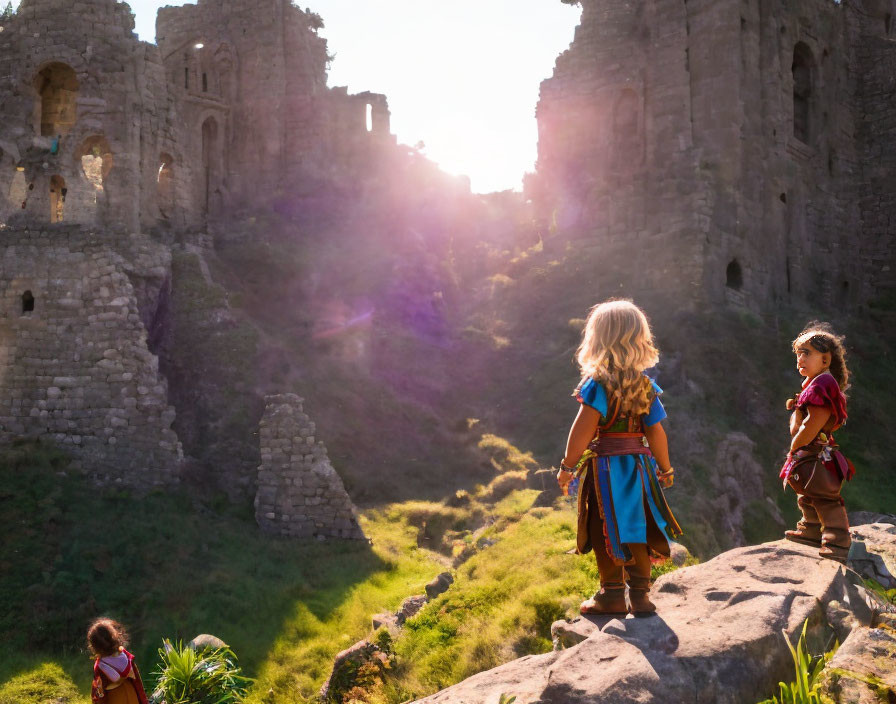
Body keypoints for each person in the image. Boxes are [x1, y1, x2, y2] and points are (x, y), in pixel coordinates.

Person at [557, 300, 682, 616]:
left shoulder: (597, 385)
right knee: (637, 525)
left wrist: (567, 466)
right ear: (639, 337)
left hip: (606, 470)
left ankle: (612, 594)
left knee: (603, 525)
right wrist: (665, 469)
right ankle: (640, 595)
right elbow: (656, 433)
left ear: (597, 339)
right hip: (639, 469)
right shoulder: (646, 386)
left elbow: (582, 429)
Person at [779, 322, 854, 563]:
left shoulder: (822, 384)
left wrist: (796, 444)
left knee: (823, 495)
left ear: (825, 359)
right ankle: (811, 530)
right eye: (798, 353)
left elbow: (814, 421)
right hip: (811, 451)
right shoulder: (814, 383)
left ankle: (837, 539)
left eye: (807, 353)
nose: (800, 358)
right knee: (807, 491)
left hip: (817, 453)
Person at [88, 618, 149, 704]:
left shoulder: (101, 666)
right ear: (114, 637)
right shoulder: (125, 656)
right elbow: (136, 681)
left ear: (95, 646)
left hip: (115, 697)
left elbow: (99, 692)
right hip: (131, 694)